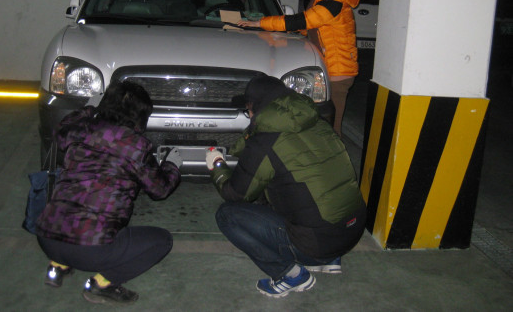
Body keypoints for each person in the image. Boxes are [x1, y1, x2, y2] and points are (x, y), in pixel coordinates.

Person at [205, 75, 366, 298]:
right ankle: (329, 260)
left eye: (247, 109)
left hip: (316, 245)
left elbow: (235, 193)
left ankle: (290, 274)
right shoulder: (318, 123)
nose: (248, 114)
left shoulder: (267, 140)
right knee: (294, 189)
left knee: (228, 215)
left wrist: (217, 166)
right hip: (351, 232)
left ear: (255, 107)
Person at [35, 79, 182, 306]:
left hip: (46, 239)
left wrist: (88, 108)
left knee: (72, 221)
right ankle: (102, 284)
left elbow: (60, 130)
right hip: (92, 251)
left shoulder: (81, 129)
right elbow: (159, 190)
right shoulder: (136, 145)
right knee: (162, 241)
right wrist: (172, 165)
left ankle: (58, 266)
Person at [237, 0, 360, 136]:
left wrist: (260, 23)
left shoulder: (333, 2)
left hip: (338, 73)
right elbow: (310, 28)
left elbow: (303, 20)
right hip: (331, 68)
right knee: (320, 125)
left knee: (331, 129)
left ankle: (333, 153)